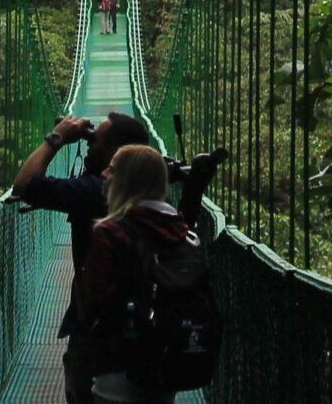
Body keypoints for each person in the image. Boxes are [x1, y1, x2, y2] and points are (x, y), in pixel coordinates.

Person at [12, 110, 154, 404]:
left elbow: (24, 185)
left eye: (94, 143)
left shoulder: (97, 194)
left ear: (115, 153)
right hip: (145, 326)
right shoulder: (150, 194)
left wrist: (57, 139)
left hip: (97, 332)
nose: (88, 148)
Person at [67, 144, 195, 404]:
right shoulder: (184, 233)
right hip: (165, 371)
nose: (104, 174)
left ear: (126, 180)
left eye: (112, 169)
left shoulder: (111, 233)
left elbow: (91, 304)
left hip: (115, 376)